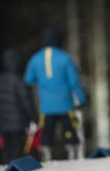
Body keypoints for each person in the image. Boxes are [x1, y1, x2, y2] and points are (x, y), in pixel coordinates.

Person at [24, 28, 87, 161]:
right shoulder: (65, 57)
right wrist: (81, 99)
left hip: (46, 106)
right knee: (69, 129)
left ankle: (47, 154)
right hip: (65, 103)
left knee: (47, 131)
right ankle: (72, 153)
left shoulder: (35, 58)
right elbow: (74, 81)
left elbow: (28, 80)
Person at [0, 48, 37, 164]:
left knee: (7, 150)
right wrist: (33, 117)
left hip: (3, 124)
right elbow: (26, 102)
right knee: (18, 152)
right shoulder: (19, 80)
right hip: (18, 124)